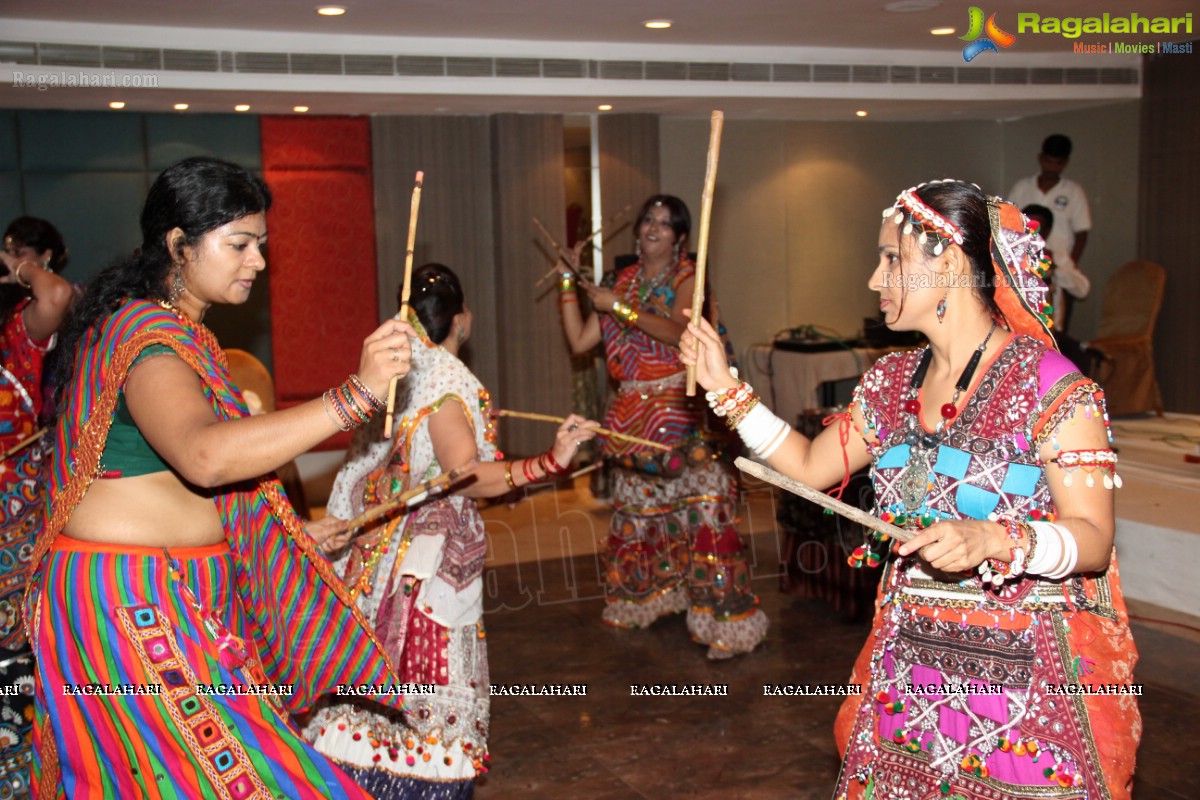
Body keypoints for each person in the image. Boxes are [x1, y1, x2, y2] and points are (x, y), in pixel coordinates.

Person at [681, 180, 1138, 798]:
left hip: (1020, 681)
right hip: (911, 666)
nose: (875, 278)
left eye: (891, 259)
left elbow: (1093, 540)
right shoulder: (892, 380)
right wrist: (724, 388)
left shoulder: (1050, 384)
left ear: (948, 261)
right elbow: (811, 465)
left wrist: (995, 537)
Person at [28, 156, 417, 797]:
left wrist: (288, 534)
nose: (258, 262)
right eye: (238, 244)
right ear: (179, 245)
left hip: (167, 589)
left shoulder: (181, 337)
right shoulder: (144, 335)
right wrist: (354, 397)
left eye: (259, 245)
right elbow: (204, 457)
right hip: (130, 602)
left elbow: (207, 482)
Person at [304, 263, 598, 798]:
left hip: (365, 566)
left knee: (361, 705)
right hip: (423, 573)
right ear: (463, 320)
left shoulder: (386, 368)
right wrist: (550, 463)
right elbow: (462, 475)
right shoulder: (446, 377)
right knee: (424, 718)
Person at [557, 194, 767, 659]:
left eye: (665, 223)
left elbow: (680, 332)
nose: (653, 227)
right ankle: (651, 597)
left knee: (706, 513)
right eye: (648, 218)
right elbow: (579, 342)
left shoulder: (687, 278)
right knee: (640, 517)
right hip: (632, 416)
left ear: (680, 238)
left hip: (682, 409)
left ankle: (725, 622)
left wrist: (621, 309)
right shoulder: (623, 281)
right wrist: (570, 282)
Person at [0, 218, 72, 799]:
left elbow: (55, 294)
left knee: (21, 667)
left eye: (19, 250)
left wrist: (17, 269)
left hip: (18, 527)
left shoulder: (16, 343)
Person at [1008, 134, 1092, 335]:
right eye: (1049, 161)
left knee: (1056, 329)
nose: (1053, 167)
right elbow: (1008, 223)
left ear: (1065, 163)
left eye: (1058, 163)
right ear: (1041, 158)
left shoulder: (1073, 191)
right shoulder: (1022, 188)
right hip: (1023, 262)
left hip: (1057, 261)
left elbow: (1082, 232)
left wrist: (1065, 266)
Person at [1021, 204, 1091, 372]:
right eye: (1026, 225)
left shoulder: (1058, 257)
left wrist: (1054, 267)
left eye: (1037, 227)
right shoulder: (1007, 255)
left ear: (1048, 231)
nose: (1030, 231)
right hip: (1017, 333)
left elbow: (1083, 290)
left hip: (1053, 335)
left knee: (1078, 357)